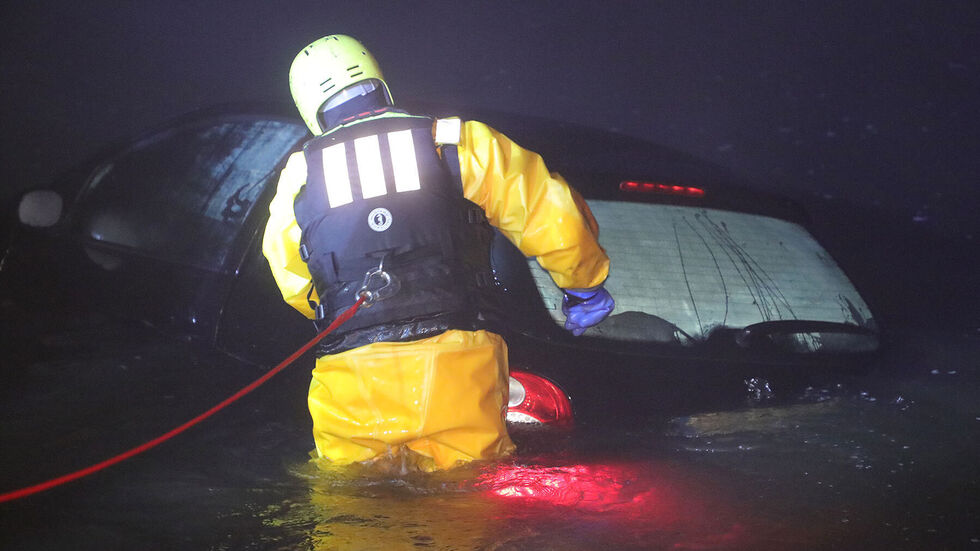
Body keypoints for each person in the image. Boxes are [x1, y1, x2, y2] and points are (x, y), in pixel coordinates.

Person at [262, 34, 614, 471]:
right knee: (467, 502)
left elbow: (292, 277)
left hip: (352, 374)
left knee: (351, 511)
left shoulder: (300, 175)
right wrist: (584, 284)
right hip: (458, 363)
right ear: (380, 83)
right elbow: (549, 210)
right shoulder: (453, 140)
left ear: (307, 108)